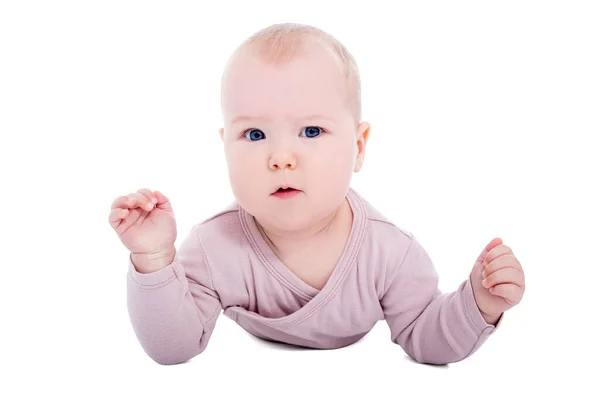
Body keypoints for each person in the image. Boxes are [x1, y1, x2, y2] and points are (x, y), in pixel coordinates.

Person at [108, 23, 526, 366]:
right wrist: (154, 260)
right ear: (225, 148)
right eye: (254, 134)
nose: (281, 158)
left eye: (311, 131)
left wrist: (479, 303)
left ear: (358, 147)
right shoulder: (213, 247)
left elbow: (427, 337)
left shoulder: (388, 253)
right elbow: (173, 348)